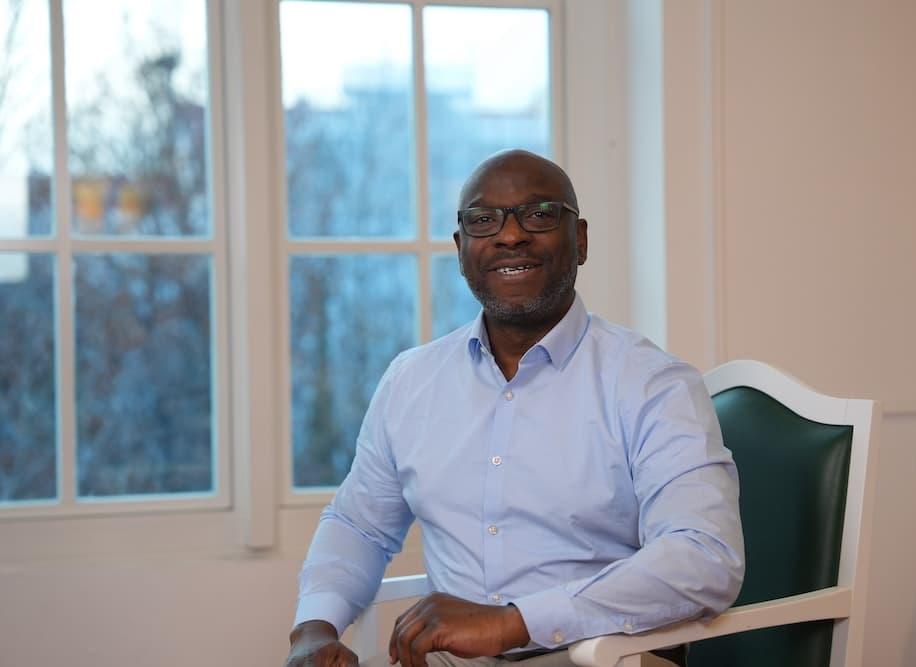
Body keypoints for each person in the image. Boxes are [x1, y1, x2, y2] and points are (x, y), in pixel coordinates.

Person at [285, 150, 744, 667]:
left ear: (582, 240)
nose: (510, 235)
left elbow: (705, 557)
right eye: (484, 220)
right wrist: (313, 628)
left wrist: (513, 622)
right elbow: (359, 525)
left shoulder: (652, 384)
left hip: (598, 658)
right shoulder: (410, 381)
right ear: (461, 250)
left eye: (539, 214)